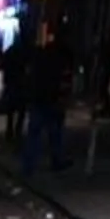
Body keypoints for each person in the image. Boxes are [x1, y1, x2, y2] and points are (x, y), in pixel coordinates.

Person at [22, 26, 74, 175]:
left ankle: (28, 165)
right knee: (55, 132)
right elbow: (64, 80)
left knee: (35, 134)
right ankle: (56, 160)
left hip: (39, 98)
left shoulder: (40, 56)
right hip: (52, 99)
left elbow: (31, 75)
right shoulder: (61, 59)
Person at [3, 29, 34, 146]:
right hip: (19, 83)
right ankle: (16, 131)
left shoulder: (10, 51)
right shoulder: (24, 52)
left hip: (12, 83)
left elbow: (3, 64)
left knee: (11, 110)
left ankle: (10, 131)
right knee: (20, 109)